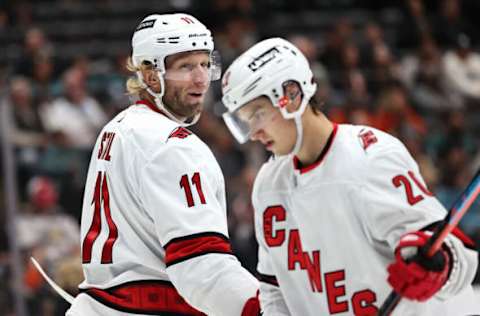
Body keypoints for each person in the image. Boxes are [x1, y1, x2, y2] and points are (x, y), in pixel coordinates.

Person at [221, 37, 479, 315]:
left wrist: (439, 266)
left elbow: (455, 253)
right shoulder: (269, 186)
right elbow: (275, 289)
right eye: (246, 123)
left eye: (258, 114)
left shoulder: (372, 158)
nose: (254, 133)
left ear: (292, 95)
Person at [67, 13, 260, 316]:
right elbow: (204, 269)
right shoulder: (173, 145)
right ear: (150, 74)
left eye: (205, 64)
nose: (200, 78)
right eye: (185, 66)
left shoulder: (117, 127)